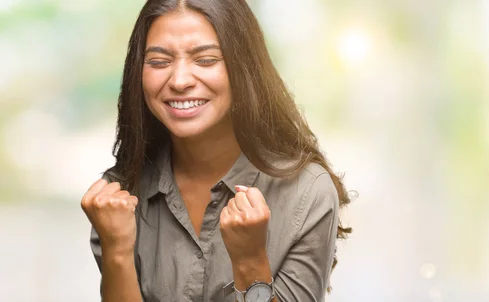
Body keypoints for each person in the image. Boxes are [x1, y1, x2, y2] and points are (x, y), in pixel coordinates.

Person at [80, 0, 351, 301]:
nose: (180, 81)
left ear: (244, 66)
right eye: (158, 62)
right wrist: (117, 251)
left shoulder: (308, 193)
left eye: (206, 60)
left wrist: (250, 263)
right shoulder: (118, 197)